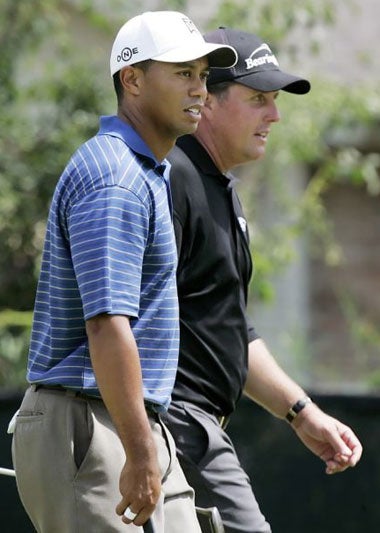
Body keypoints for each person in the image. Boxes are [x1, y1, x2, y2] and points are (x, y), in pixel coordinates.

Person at [10, 12, 237, 533]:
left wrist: (143, 444)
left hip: (125, 420)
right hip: (86, 423)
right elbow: (106, 326)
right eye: (182, 73)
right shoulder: (115, 179)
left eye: (203, 75)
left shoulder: (145, 171)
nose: (200, 89)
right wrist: (139, 454)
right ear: (132, 79)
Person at [164, 27, 363, 533]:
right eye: (257, 99)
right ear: (205, 100)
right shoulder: (174, 177)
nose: (273, 115)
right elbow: (120, 314)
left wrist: (301, 412)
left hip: (192, 426)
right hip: (173, 423)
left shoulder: (220, 189)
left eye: (274, 101)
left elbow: (228, 328)